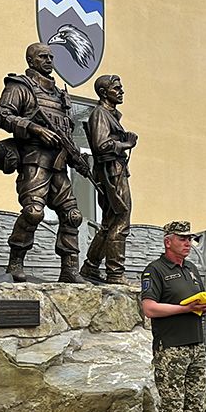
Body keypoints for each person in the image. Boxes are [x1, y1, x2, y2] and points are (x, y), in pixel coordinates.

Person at [0, 43, 86, 283]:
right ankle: (15, 262)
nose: (48, 60)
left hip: (59, 163)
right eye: (43, 56)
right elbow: (2, 116)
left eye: (51, 57)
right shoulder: (20, 86)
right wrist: (34, 128)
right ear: (31, 60)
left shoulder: (60, 95)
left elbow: (67, 129)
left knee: (73, 215)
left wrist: (75, 157)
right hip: (34, 160)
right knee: (33, 213)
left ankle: (69, 269)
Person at [140, 221, 206, 412]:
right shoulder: (155, 271)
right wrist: (185, 309)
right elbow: (149, 309)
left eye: (190, 239)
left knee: (195, 401)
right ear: (167, 241)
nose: (188, 243)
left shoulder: (191, 269)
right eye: (182, 238)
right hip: (171, 347)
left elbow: (199, 300)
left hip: (195, 344)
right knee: (173, 403)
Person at [79, 74, 137, 285]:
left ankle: (91, 266)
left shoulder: (110, 115)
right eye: (117, 88)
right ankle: (115, 272)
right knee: (121, 221)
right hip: (111, 172)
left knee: (109, 223)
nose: (121, 91)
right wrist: (126, 144)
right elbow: (101, 145)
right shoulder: (100, 114)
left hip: (115, 170)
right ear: (104, 92)